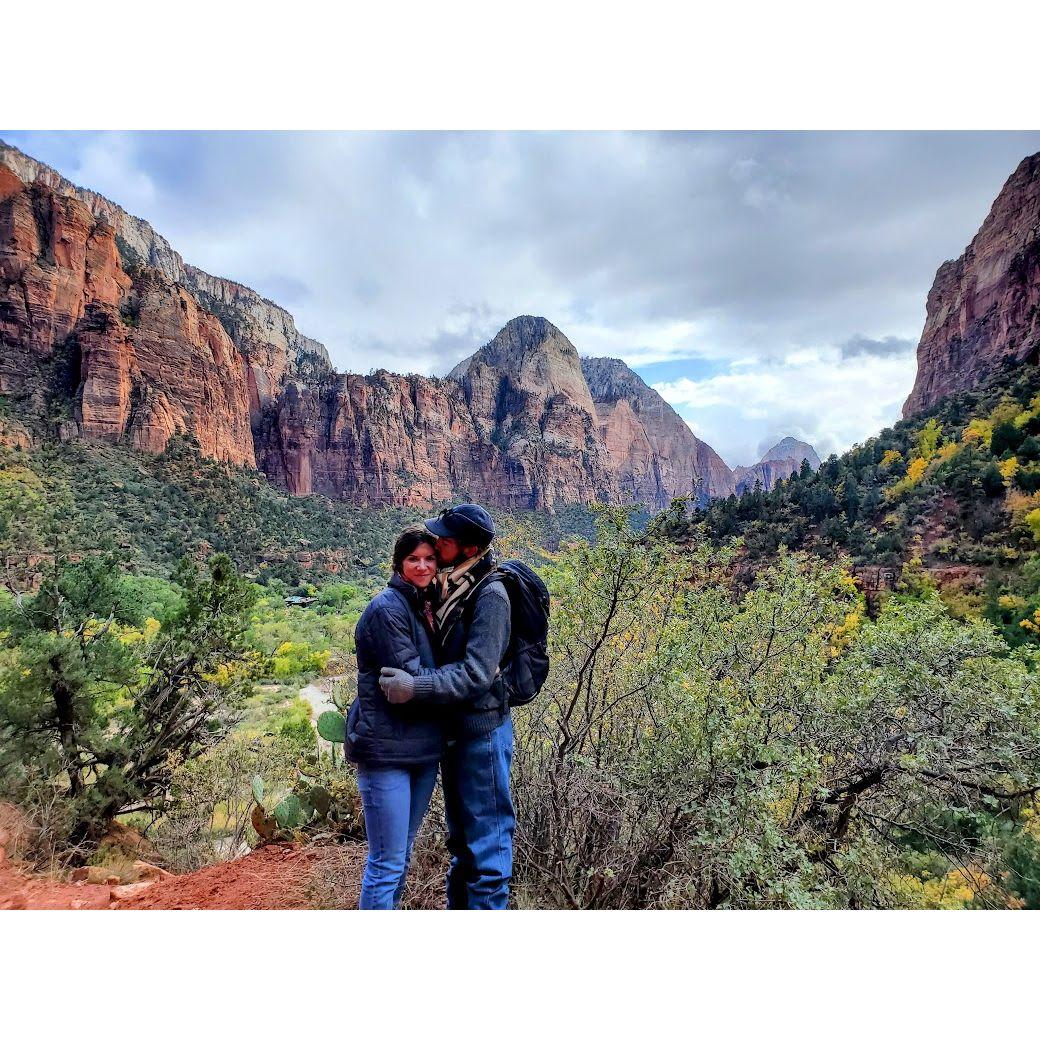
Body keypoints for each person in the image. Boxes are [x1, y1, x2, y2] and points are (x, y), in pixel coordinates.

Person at [379, 504, 514, 910]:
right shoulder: (451, 587)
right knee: (462, 848)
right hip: (455, 735)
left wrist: (415, 687)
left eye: (445, 540)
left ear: (469, 547)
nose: (436, 543)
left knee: (487, 853)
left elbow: (475, 674)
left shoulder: (491, 595)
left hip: (482, 736)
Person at [346, 524, 443, 910]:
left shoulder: (423, 605)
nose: (422, 566)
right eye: (413, 559)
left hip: (420, 748)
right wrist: (469, 678)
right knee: (386, 863)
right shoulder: (388, 609)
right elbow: (412, 676)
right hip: (386, 749)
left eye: (429, 558)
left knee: (400, 855)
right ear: (399, 564)